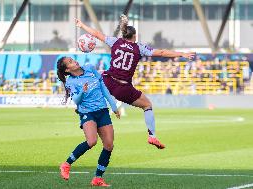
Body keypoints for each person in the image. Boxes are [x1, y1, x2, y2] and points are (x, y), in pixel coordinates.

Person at [75, 15, 196, 149]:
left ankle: (82, 107)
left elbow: (97, 34)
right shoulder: (139, 48)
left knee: (96, 80)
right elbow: (161, 52)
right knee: (147, 105)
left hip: (108, 80)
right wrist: (181, 54)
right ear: (135, 36)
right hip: (123, 88)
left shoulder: (115, 42)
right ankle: (152, 136)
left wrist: (82, 25)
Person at [57, 56, 120, 187]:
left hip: (102, 110)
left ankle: (98, 178)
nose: (74, 61)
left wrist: (113, 106)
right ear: (67, 70)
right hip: (87, 112)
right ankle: (66, 164)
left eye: (73, 59)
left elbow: (103, 87)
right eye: (70, 62)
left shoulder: (90, 68)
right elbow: (76, 101)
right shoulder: (71, 82)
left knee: (109, 145)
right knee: (92, 141)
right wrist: (83, 91)